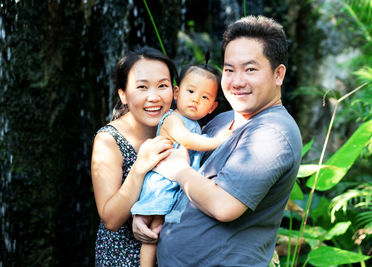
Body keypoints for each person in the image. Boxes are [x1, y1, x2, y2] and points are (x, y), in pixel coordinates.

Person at [132, 15, 303, 266]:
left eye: (251, 69)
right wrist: (150, 212)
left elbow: (224, 206)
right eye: (229, 70)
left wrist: (177, 170)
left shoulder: (273, 133)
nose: (237, 81)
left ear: (278, 74)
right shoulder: (222, 121)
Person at [131, 63, 230, 267]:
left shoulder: (196, 125)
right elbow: (187, 140)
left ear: (212, 107)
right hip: (162, 184)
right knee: (152, 230)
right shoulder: (173, 119)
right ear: (177, 92)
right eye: (191, 91)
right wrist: (218, 141)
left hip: (178, 185)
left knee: (160, 229)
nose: (195, 99)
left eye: (204, 97)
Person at [91, 47, 177, 266]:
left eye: (162, 85)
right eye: (142, 87)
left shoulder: (182, 128)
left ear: (175, 91)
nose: (154, 97)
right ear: (123, 95)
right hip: (124, 258)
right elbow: (110, 219)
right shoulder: (108, 140)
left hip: (173, 251)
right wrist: (140, 167)